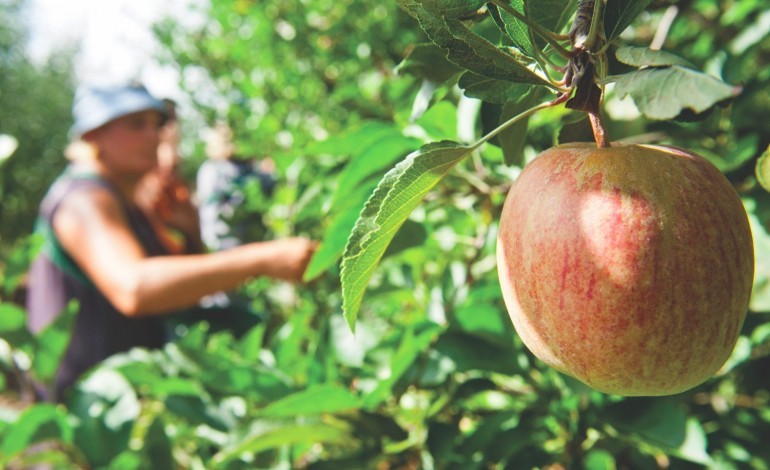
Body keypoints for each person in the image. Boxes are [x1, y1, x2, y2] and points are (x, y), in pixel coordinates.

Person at [25, 83, 315, 402]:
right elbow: (134, 288)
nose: (154, 136)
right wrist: (262, 260)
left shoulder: (122, 200)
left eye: (157, 124)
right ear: (93, 135)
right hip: (84, 416)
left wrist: (190, 233)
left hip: (120, 406)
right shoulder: (84, 199)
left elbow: (174, 294)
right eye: (137, 124)